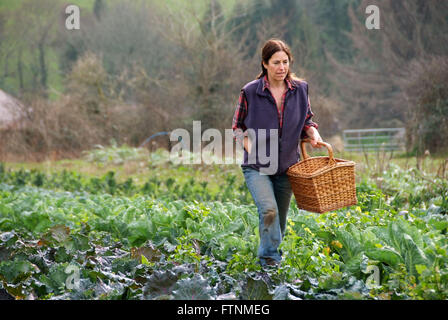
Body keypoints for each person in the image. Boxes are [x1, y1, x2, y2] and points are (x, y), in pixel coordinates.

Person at [232, 38, 323, 267]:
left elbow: (307, 120)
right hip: (257, 166)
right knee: (269, 210)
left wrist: (313, 134)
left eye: (285, 62)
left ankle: (273, 258)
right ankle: (269, 261)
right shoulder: (251, 91)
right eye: (276, 62)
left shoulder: (300, 89)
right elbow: (237, 128)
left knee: (279, 220)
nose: (282, 67)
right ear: (265, 64)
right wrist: (252, 152)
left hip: (287, 167)